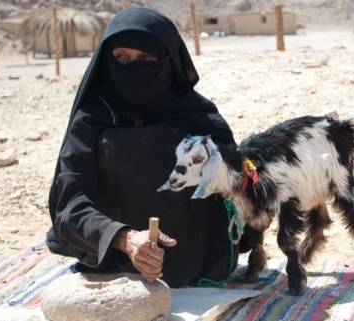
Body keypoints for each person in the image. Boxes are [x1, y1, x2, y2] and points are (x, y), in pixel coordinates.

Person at [46, 6, 242, 288]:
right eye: (121, 57)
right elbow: (72, 204)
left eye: (146, 58)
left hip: (198, 258)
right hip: (114, 257)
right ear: (107, 60)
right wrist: (123, 238)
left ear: (168, 60)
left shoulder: (198, 116)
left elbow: (234, 189)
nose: (133, 67)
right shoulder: (92, 118)